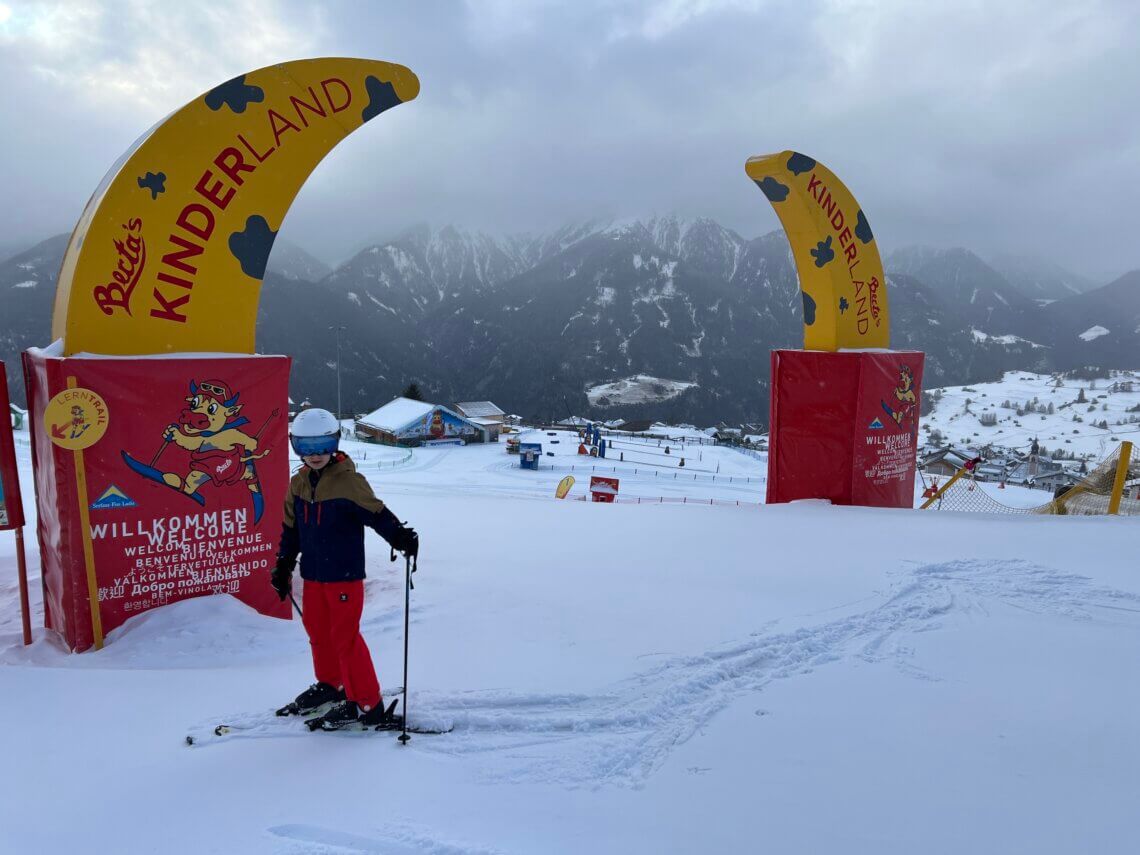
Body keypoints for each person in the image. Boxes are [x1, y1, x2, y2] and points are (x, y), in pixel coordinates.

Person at [271, 407, 419, 729]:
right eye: (305, 447)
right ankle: (331, 685)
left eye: (322, 446)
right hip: (312, 575)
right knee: (318, 633)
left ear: (334, 443)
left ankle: (368, 704)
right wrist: (284, 564)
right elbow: (291, 529)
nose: (315, 455)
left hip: (344, 577)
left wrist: (400, 537)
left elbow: (377, 515)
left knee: (345, 638)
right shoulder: (297, 485)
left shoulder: (350, 483)